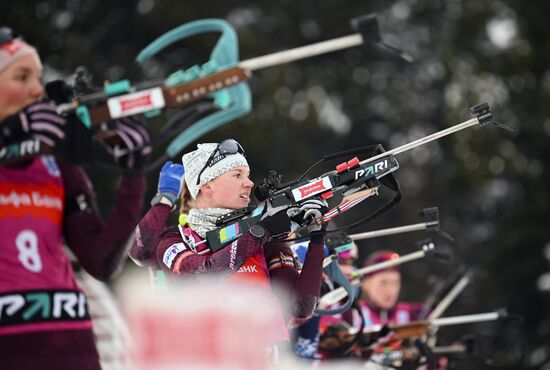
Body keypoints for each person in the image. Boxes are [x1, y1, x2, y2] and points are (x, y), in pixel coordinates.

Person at [0, 28, 149, 369]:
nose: (37, 89)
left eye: (37, 77)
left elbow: (101, 261)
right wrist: (10, 134)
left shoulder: (54, 162)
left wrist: (133, 174)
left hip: (70, 344)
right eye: (21, 77)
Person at [129, 140, 329, 356]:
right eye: (237, 175)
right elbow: (204, 274)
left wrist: (317, 237)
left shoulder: (265, 240)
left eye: (248, 175)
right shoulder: (176, 239)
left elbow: (302, 306)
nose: (249, 183)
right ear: (207, 186)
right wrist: (166, 197)